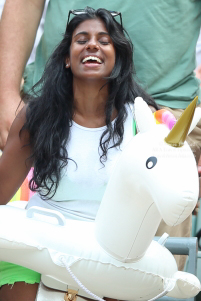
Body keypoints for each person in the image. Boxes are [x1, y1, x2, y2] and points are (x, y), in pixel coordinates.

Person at [0, 7, 158, 301]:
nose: (92, 45)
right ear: (66, 58)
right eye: (81, 39)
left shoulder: (140, 118)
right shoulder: (35, 116)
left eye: (104, 40)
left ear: (117, 57)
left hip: (106, 251)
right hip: (40, 242)